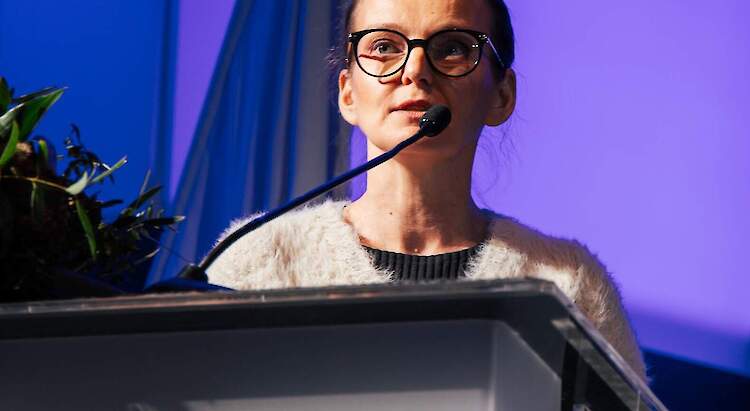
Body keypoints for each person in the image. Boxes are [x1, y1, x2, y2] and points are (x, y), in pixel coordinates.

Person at [207, 0, 647, 379]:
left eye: (452, 48)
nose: (414, 70)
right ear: (347, 94)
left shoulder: (567, 282)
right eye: (384, 47)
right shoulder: (262, 257)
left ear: (502, 95)